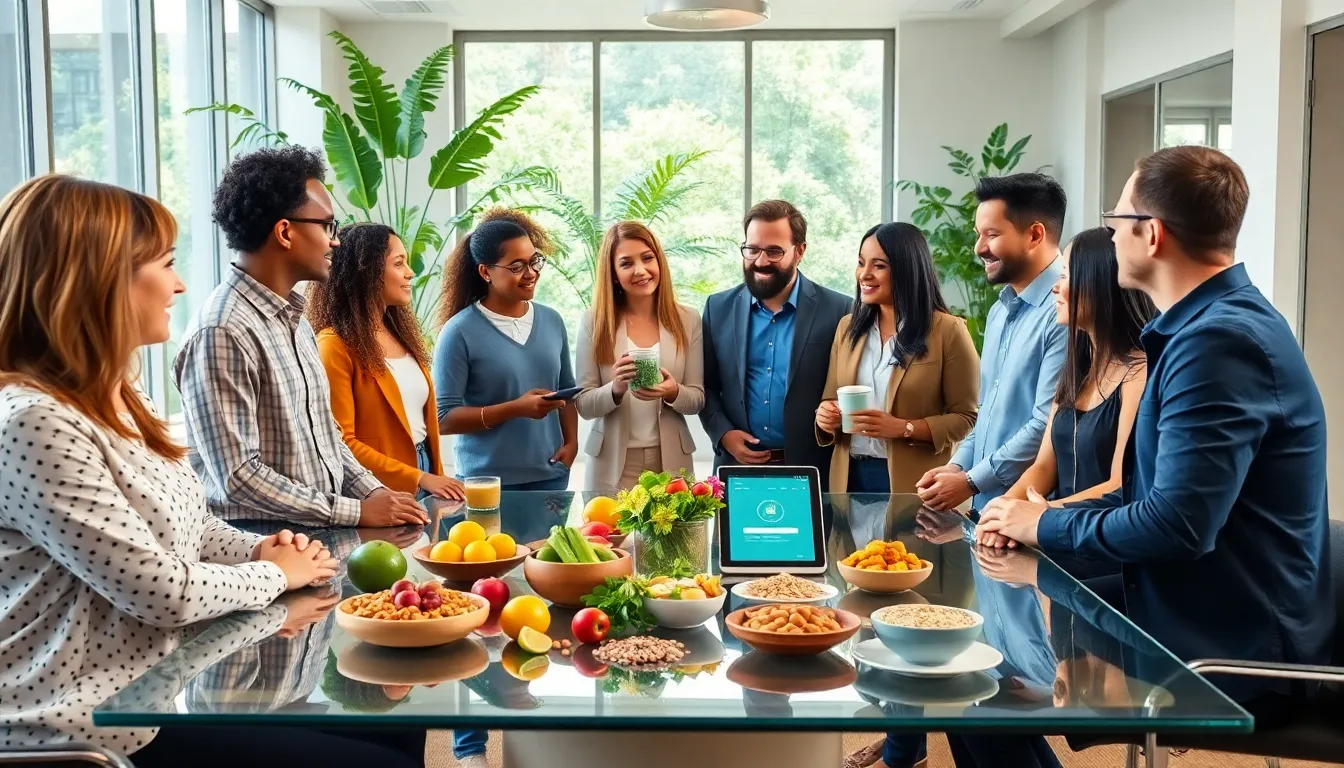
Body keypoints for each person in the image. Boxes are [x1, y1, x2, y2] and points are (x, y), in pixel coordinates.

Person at [0, 175, 428, 768]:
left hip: (152, 700)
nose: (178, 283)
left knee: (397, 727)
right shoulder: (33, 423)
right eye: (165, 264)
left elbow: (196, 523)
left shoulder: (119, 394)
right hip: (87, 732)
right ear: (96, 277)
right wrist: (274, 574)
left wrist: (261, 552)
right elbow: (161, 592)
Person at [978, 146, 1334, 718]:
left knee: (990, 687)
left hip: (1228, 641)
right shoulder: (1199, 329)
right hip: (1189, 596)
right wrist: (1032, 521)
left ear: (1151, 235)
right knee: (989, 662)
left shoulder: (1218, 341)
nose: (1110, 236)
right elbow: (1151, 495)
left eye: (1117, 221)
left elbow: (1177, 524)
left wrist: (1045, 522)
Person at [174, 146, 427, 529]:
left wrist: (374, 493)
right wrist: (356, 511)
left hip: (317, 536)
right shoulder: (222, 330)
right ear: (285, 232)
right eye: (327, 226)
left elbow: (327, 437)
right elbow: (238, 475)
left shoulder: (296, 321)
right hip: (262, 547)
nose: (335, 241)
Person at [916, 174, 1069, 515]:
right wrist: (957, 468)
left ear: (1035, 234)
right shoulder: (1001, 308)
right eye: (978, 234)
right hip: (987, 513)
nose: (979, 248)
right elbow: (989, 414)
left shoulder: (1067, 308)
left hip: (1031, 515)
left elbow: (1046, 424)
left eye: (992, 234)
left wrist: (971, 481)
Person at [992, 227, 1154, 516]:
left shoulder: (1139, 372)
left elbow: (1120, 485)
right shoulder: (1076, 368)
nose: (1056, 286)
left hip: (1102, 541)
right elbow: (1043, 466)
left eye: (1066, 274)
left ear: (1101, 283)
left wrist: (1043, 514)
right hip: (1056, 539)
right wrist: (1002, 509)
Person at [814, 222, 980, 496]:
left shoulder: (948, 330)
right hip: (848, 479)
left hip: (913, 485)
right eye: (860, 262)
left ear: (907, 269)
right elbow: (829, 399)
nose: (864, 274)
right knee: (851, 542)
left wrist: (904, 428)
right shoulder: (847, 327)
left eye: (879, 265)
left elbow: (966, 417)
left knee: (905, 542)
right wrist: (824, 417)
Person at [307, 222, 464, 501]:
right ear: (367, 272)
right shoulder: (333, 345)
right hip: (377, 489)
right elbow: (341, 443)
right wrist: (419, 476)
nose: (410, 272)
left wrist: (431, 475)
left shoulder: (399, 335)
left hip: (426, 474)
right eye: (399, 263)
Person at [700, 199, 851, 484]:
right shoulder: (717, 308)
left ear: (800, 251)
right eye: (752, 249)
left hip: (813, 474)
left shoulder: (840, 311)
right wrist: (723, 434)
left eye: (774, 251)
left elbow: (848, 390)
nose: (760, 261)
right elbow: (705, 386)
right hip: (736, 470)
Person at [434, 208, 578, 493]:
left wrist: (572, 444)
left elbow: (567, 391)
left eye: (534, 261)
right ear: (485, 271)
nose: (531, 273)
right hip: (486, 484)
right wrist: (516, 408)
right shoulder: (458, 332)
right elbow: (443, 418)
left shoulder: (552, 320)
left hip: (551, 476)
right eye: (516, 266)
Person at [575, 221, 704, 493]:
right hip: (610, 463)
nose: (640, 270)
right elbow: (584, 405)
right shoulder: (593, 321)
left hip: (671, 461)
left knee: (677, 536)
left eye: (647, 258)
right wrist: (615, 389)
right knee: (607, 536)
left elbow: (697, 398)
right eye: (626, 263)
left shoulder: (688, 319)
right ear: (613, 273)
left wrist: (672, 392)